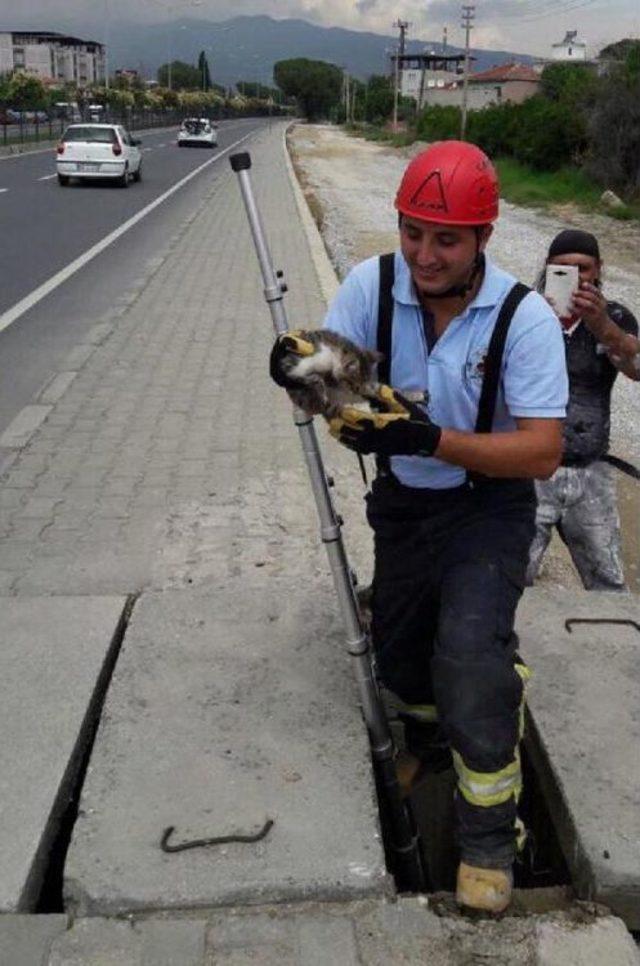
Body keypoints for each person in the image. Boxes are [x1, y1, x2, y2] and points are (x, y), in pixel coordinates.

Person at [271, 141, 568, 913]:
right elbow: (332, 383)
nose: (424, 255)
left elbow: (541, 451)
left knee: (468, 658)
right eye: (413, 232)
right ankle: (434, 742)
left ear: (483, 239)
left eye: (446, 239)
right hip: (405, 507)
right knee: (404, 669)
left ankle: (489, 838)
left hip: (488, 506)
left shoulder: (523, 317)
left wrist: (429, 437)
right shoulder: (371, 289)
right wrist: (312, 383)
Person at [526, 229, 640, 591]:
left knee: (607, 582)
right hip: (528, 470)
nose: (575, 276)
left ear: (599, 269)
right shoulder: (523, 311)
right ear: (547, 268)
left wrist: (603, 326)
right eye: (562, 268)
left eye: (583, 268)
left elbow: (635, 369)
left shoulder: (615, 316)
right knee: (511, 575)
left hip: (591, 471)